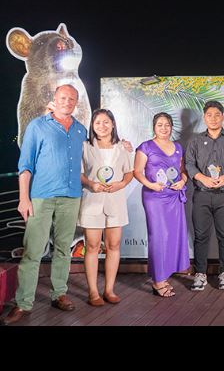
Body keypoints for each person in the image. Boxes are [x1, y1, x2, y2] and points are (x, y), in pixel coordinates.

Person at [2, 85, 88, 325]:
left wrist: (123, 146)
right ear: (54, 99)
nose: (67, 101)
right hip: (41, 196)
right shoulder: (37, 126)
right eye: (63, 97)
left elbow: (93, 156)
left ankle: (59, 293)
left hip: (71, 196)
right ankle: (23, 303)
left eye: (72, 99)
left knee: (63, 249)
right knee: (33, 251)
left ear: (76, 102)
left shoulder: (80, 130)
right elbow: (25, 165)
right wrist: (23, 198)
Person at [79, 109, 134, 307]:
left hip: (115, 201)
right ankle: (93, 292)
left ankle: (109, 290)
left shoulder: (123, 147)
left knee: (114, 245)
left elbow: (129, 172)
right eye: (97, 123)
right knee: (92, 246)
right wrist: (91, 184)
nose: (102, 126)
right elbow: (80, 173)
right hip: (92, 201)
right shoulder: (85, 147)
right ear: (92, 126)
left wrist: (121, 184)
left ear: (113, 124)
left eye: (106, 122)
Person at [133, 112, 190, 297]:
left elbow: (183, 171)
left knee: (171, 237)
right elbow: (137, 171)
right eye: (160, 125)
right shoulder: (145, 147)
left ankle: (163, 276)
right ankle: (158, 281)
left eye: (167, 125)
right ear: (154, 127)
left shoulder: (178, 147)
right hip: (154, 197)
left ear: (171, 127)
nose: (164, 128)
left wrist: (182, 181)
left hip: (173, 197)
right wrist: (151, 185)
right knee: (158, 236)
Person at [185, 101, 224, 291]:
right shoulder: (196, 141)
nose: (213, 118)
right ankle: (200, 274)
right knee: (200, 236)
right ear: (204, 117)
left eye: (217, 115)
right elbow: (189, 164)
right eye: (209, 115)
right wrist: (202, 178)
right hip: (202, 194)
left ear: (222, 117)